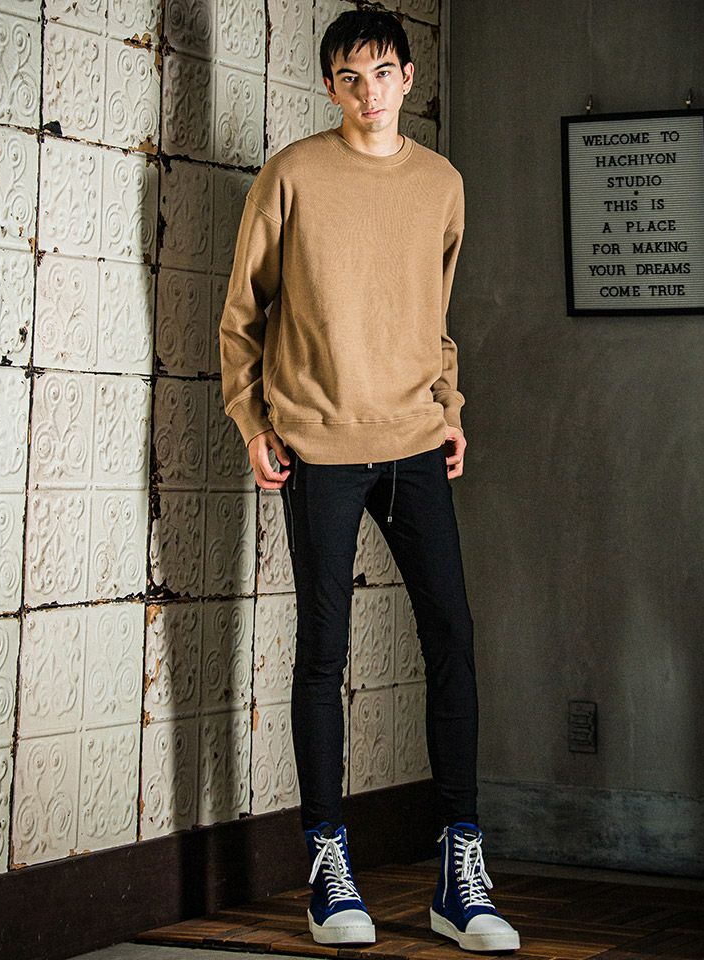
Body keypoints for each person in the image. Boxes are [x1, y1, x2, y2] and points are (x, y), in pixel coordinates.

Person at [219, 8, 520, 954]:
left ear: (408, 77)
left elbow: (433, 313)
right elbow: (242, 314)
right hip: (318, 444)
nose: (369, 91)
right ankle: (328, 866)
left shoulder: (442, 184)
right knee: (324, 650)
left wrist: (450, 407)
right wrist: (252, 421)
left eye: (383, 72)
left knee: (452, 639)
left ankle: (459, 872)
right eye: (350, 76)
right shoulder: (292, 176)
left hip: (416, 439)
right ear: (329, 86)